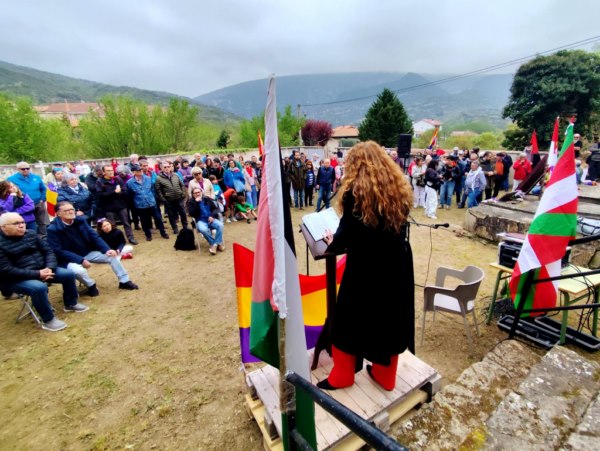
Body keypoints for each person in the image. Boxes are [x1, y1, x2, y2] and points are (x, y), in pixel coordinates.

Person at [317, 141, 414, 391]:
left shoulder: (355, 194)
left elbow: (347, 235)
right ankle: (385, 375)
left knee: (347, 319)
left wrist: (332, 241)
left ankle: (343, 375)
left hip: (366, 267)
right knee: (388, 318)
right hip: (395, 265)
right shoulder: (399, 189)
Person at [0, 212, 88, 332]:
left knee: (68, 274)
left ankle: (71, 303)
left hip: (44, 269)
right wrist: (38, 274)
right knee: (39, 287)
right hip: (16, 279)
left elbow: (48, 251)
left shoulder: (31, 234)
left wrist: (49, 268)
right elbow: (6, 270)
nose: (21, 225)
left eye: (22, 222)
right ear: (3, 227)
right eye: (16, 223)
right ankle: (48, 320)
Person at [47, 201, 139, 296]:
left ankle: (124, 281)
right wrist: (80, 260)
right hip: (69, 259)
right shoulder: (52, 229)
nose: (71, 212)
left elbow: (94, 236)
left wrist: (107, 249)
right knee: (79, 271)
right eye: (67, 210)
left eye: (72, 209)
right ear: (58, 213)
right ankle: (91, 286)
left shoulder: (80, 220)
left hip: (87, 252)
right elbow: (58, 251)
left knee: (112, 256)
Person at [95, 165, 138, 245]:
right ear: (104, 172)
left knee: (126, 222)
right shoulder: (100, 181)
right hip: (109, 207)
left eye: (111, 170)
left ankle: (130, 237)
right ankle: (115, 240)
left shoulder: (118, 179)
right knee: (112, 225)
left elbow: (125, 192)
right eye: (108, 171)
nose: (111, 172)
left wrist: (119, 192)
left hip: (121, 205)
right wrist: (114, 192)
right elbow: (100, 195)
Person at [126, 164, 169, 241]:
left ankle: (163, 233)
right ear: (133, 172)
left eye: (141, 170)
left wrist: (153, 199)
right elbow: (130, 195)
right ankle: (148, 235)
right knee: (144, 221)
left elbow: (152, 189)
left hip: (151, 203)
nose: (140, 171)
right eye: (138, 170)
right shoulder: (129, 183)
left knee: (158, 218)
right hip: (140, 205)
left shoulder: (148, 178)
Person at [8, 162, 47, 237]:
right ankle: (29, 238)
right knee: (27, 223)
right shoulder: (12, 179)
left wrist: (42, 199)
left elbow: (43, 189)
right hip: (24, 205)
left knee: (42, 221)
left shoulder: (36, 177)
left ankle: (43, 237)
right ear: (18, 169)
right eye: (23, 169)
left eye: (27, 168)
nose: (26, 170)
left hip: (38, 203)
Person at [187, 188, 224, 255]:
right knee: (203, 229)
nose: (198, 194)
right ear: (193, 194)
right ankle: (216, 244)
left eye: (199, 192)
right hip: (200, 221)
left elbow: (216, 209)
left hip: (211, 219)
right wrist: (196, 202)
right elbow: (192, 213)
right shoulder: (191, 202)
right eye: (195, 193)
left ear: (201, 192)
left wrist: (212, 216)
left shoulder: (207, 199)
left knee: (220, 225)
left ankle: (214, 245)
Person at [155, 161, 188, 234]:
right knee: (171, 215)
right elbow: (158, 190)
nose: (167, 168)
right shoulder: (159, 178)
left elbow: (182, 185)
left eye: (168, 166)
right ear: (162, 168)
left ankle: (185, 227)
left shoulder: (175, 175)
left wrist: (183, 194)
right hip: (168, 200)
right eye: (165, 167)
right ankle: (175, 228)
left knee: (183, 213)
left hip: (179, 198)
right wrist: (163, 200)